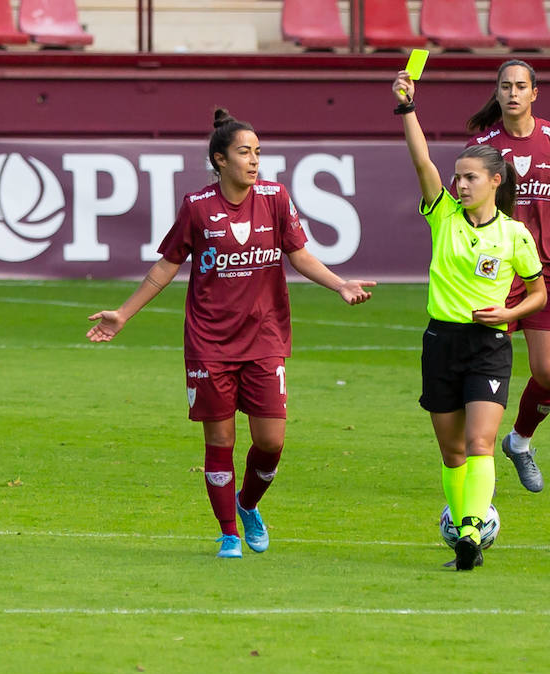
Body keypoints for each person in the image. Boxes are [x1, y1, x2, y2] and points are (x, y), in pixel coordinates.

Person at [86, 108, 375, 559]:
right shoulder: (197, 207)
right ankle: (228, 534)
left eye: (258, 152)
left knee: (271, 442)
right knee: (220, 441)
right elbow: (166, 265)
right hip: (210, 343)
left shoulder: (275, 198)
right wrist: (123, 313)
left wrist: (339, 284)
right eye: (244, 152)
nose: (254, 160)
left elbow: (299, 254)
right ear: (220, 160)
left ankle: (248, 504)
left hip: (265, 338)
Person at [394, 70, 547, 570]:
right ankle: (467, 530)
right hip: (441, 343)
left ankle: (468, 534)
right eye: (457, 177)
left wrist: (510, 312)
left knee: (480, 442)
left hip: (489, 344)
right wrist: (407, 108)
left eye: (469, 178)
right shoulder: (442, 214)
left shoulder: (514, 234)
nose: (459, 184)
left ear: (495, 182)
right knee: (453, 452)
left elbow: (539, 294)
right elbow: (421, 161)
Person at [465, 59, 550, 493]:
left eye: (520, 86)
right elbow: (469, 209)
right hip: (496, 273)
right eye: (505, 86)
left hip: (546, 272)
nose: (513, 93)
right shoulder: (483, 146)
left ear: (535, 92)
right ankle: (473, 466)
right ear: (497, 92)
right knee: (482, 376)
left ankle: (519, 441)